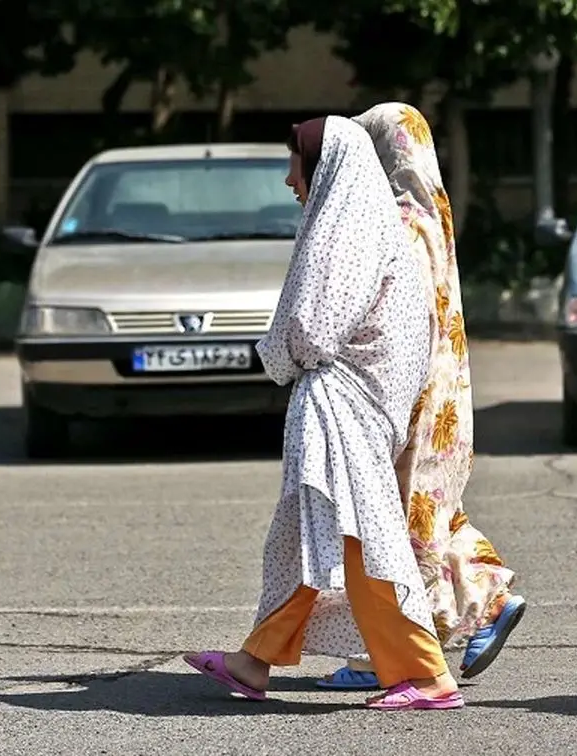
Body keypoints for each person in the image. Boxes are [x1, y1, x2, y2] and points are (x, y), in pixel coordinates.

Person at [183, 115, 464, 711]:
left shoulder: (351, 232)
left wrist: (275, 353)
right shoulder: (367, 226)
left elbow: (311, 330)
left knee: (360, 543)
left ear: (326, 168)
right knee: (308, 539)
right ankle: (253, 662)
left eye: (295, 164)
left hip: (345, 411)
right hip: (347, 411)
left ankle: (427, 674)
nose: (289, 178)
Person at [313, 102, 527, 692]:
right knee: (431, 509)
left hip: (408, 390)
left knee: (394, 519)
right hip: (446, 390)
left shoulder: (396, 220)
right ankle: (487, 599)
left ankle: (389, 655)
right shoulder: (433, 212)